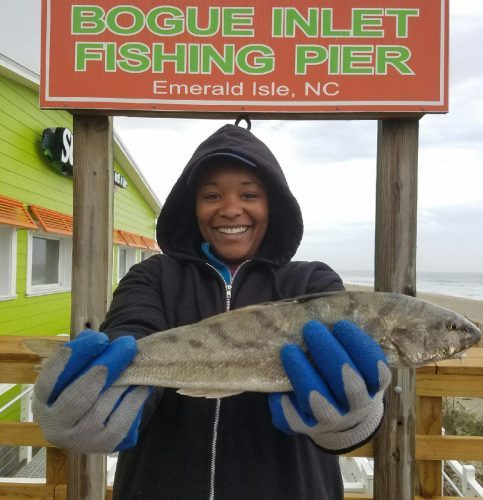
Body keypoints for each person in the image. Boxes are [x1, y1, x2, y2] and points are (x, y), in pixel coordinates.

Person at [33, 121, 391, 500]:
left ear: (273, 205)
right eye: (212, 196)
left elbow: (348, 370)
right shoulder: (151, 276)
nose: (231, 209)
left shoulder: (314, 282)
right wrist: (92, 406)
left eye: (250, 194)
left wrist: (355, 416)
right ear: (193, 208)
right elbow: (130, 333)